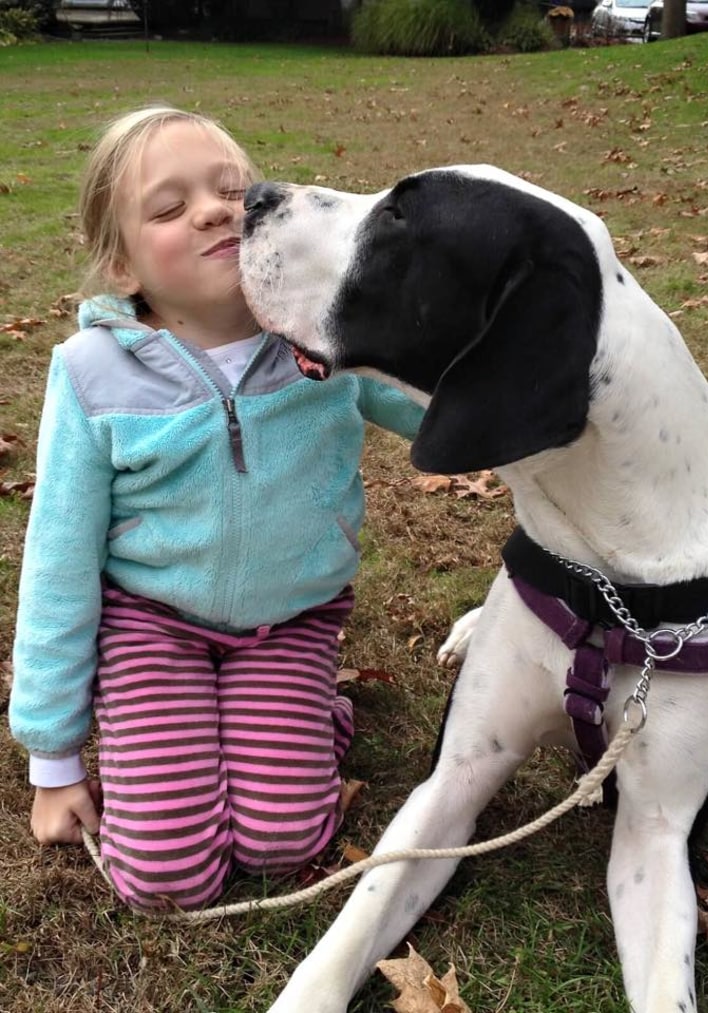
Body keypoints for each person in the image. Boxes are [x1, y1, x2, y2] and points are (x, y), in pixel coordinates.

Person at [9, 106, 423, 912]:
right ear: (124, 267)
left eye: (234, 190)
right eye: (168, 208)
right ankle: (166, 722)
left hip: (291, 619)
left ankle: (309, 715)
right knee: (165, 878)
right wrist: (54, 762)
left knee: (285, 841)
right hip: (151, 626)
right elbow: (57, 563)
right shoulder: (92, 374)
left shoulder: (323, 331)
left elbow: (434, 405)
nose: (212, 210)